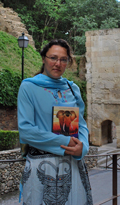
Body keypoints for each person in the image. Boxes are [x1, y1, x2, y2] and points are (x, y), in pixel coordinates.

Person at [17, 39, 93, 205]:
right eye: (53, 58)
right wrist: (65, 142)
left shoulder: (72, 88)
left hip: (73, 165)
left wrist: (83, 147)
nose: (58, 63)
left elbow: (81, 125)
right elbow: (26, 130)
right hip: (42, 169)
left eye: (63, 59)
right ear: (44, 58)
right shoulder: (28, 87)